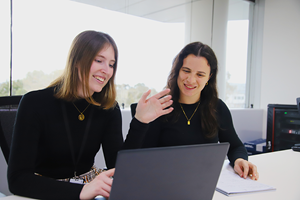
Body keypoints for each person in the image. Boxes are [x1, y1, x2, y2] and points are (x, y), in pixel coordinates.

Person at [7, 30, 173, 200]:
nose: (106, 70)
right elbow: (17, 179)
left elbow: (119, 169)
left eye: (111, 64)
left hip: (90, 186)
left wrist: (140, 122)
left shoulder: (108, 108)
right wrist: (81, 191)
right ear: (77, 60)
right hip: (46, 190)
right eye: (99, 60)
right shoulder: (35, 103)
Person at [138, 41, 259, 180]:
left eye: (200, 74)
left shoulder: (217, 107)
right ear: (177, 70)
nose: (191, 80)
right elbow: (143, 157)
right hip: (164, 182)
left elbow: (236, 146)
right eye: (186, 71)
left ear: (209, 77)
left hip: (204, 183)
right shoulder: (160, 107)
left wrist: (239, 160)